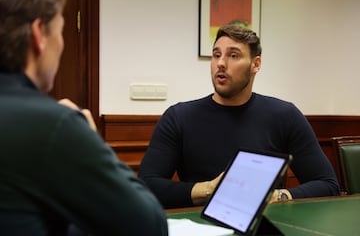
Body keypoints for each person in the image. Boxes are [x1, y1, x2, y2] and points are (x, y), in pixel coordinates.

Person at [0, 0, 167, 235]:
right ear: (39, 35)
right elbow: (149, 226)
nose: (62, 44)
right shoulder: (55, 125)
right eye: (60, 31)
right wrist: (91, 138)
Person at [138, 24, 340, 209]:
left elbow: (328, 185)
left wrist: (277, 196)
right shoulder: (179, 117)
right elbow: (146, 185)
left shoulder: (285, 115)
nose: (221, 63)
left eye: (233, 56)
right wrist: (209, 189)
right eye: (216, 55)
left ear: (256, 64)